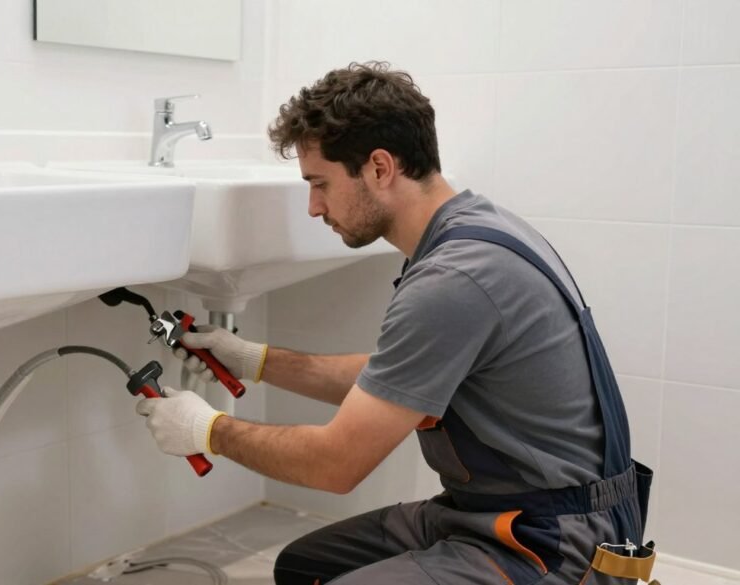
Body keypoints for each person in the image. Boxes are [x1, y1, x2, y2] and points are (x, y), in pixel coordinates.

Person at [135, 62, 654, 585]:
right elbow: (398, 377)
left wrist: (209, 430)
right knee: (304, 568)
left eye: (320, 183)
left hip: (554, 543)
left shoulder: (455, 278)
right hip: (492, 512)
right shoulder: (472, 230)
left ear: (380, 168)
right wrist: (253, 360)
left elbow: (335, 465)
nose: (314, 207)